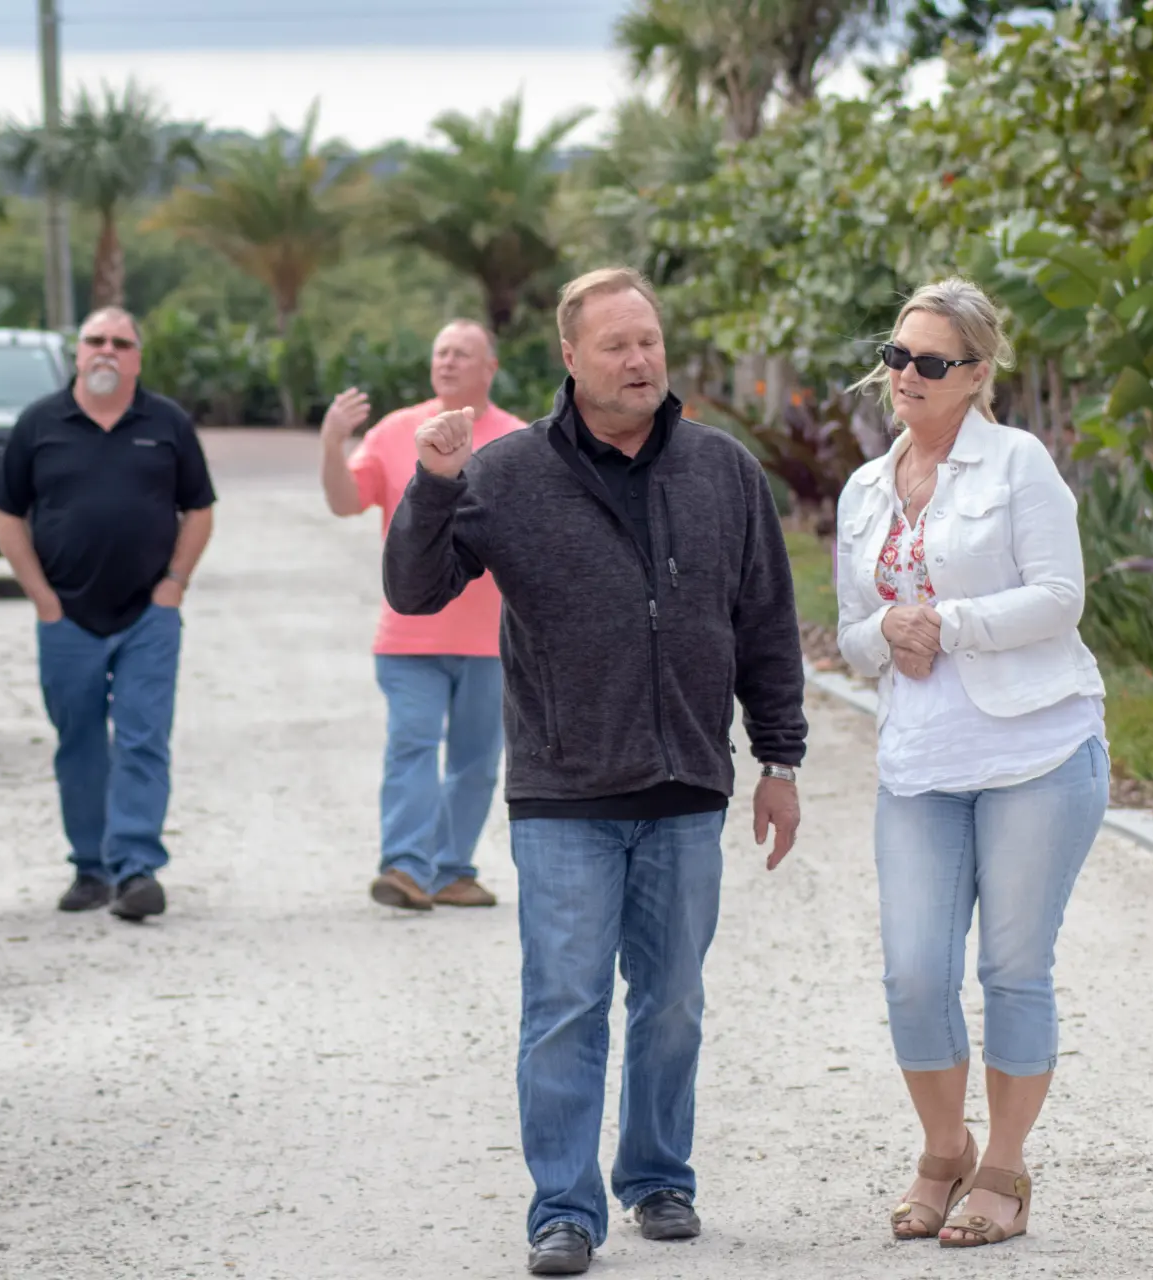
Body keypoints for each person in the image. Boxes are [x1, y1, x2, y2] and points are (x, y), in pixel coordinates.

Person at [383, 267, 807, 1276]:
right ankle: (564, 1209)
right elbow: (415, 588)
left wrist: (779, 756)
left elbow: (765, 622)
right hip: (564, 790)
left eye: (649, 340)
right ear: (570, 357)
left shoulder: (722, 470)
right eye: (616, 344)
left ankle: (657, 1176)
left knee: (673, 1001)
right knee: (565, 1005)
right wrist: (433, 483)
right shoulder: (507, 472)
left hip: (687, 785)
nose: (639, 359)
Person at [833, 278, 1109, 1249]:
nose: (905, 374)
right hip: (920, 760)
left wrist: (945, 624)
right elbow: (851, 633)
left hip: (1037, 747)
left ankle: (1005, 1167)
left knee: (1012, 968)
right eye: (897, 354)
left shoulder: (1018, 462)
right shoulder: (864, 489)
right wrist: (887, 633)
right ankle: (945, 1149)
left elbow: (1061, 597)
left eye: (930, 362)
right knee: (914, 973)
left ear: (977, 373)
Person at [0, 306, 217, 922]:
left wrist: (174, 585)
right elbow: (6, 514)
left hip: (149, 616)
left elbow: (199, 508)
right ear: (78, 352)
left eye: (121, 342)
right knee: (81, 744)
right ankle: (91, 868)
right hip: (67, 617)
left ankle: (136, 868)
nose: (107, 351)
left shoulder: (166, 423)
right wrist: (42, 598)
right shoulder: (39, 424)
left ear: (138, 358)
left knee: (143, 738)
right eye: (96, 340)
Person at [316, 320, 527, 910]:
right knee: (411, 746)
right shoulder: (395, 431)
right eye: (441, 352)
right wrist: (331, 445)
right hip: (408, 637)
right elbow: (344, 502)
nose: (448, 362)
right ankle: (405, 866)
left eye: (462, 353)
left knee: (475, 764)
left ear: (490, 368)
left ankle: (450, 870)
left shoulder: (518, 440)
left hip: (491, 640)